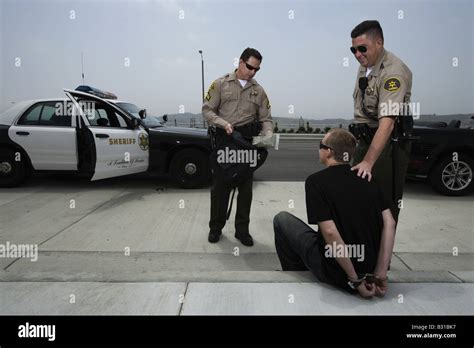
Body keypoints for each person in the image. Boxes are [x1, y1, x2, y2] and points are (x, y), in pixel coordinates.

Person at [273, 129, 396, 298]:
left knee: (282, 220)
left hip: (337, 272)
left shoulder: (315, 182)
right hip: (369, 267)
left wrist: (354, 280)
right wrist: (381, 273)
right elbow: (390, 223)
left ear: (329, 151)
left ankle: (298, 278)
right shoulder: (368, 178)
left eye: (320, 146)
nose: (319, 150)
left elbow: (330, 232)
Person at [203, 47, 273, 246]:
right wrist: (222, 123)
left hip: (247, 144)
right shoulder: (220, 84)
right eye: (250, 67)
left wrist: (268, 134)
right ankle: (215, 228)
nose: (252, 72)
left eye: (257, 69)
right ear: (240, 62)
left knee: (245, 189)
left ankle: (242, 231)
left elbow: (266, 118)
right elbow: (207, 111)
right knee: (220, 188)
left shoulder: (259, 91)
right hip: (225, 141)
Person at [349, 20, 412, 222]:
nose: (358, 54)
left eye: (362, 48)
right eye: (354, 50)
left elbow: (387, 122)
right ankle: (362, 247)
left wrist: (368, 162)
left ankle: (381, 253)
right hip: (367, 139)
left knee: (383, 205)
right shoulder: (366, 65)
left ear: (379, 43)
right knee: (357, 199)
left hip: (387, 146)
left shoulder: (393, 72)